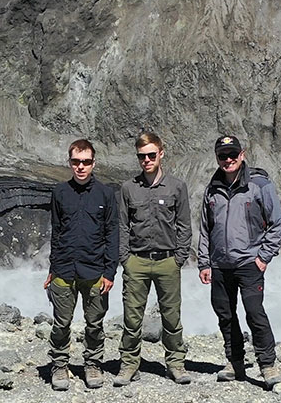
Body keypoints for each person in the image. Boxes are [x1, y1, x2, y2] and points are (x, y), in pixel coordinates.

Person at [197, 135, 281, 389]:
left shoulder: (259, 184)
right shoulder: (211, 189)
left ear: (242, 154)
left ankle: (267, 364)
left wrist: (263, 257)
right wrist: (204, 262)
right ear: (217, 158)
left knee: (254, 313)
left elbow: (277, 223)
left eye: (232, 154)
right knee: (225, 315)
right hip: (219, 264)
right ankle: (234, 361)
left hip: (249, 263)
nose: (228, 160)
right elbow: (205, 228)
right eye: (223, 156)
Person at [114, 131, 192, 386]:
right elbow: (122, 226)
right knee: (132, 316)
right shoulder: (128, 188)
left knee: (171, 316)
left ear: (161, 153)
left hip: (167, 261)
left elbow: (184, 225)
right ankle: (128, 365)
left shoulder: (177, 187)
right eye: (141, 156)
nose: (146, 160)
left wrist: (179, 258)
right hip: (136, 261)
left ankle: (176, 363)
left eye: (150, 155)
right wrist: (125, 258)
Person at [44, 139, 119, 391]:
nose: (81, 166)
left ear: (94, 163)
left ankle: (93, 363)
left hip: (95, 271)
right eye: (76, 161)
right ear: (70, 162)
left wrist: (110, 272)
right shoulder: (59, 192)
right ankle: (59, 365)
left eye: (86, 162)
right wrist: (52, 268)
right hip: (64, 270)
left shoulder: (106, 194)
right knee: (61, 323)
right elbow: (56, 232)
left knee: (95, 323)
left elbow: (112, 234)